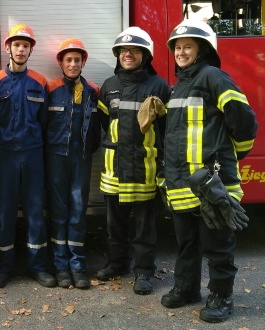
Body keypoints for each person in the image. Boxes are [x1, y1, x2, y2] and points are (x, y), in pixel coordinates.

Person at [160, 20, 257, 323]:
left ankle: (221, 297)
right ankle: (187, 289)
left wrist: (230, 157)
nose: (181, 51)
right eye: (178, 47)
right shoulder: (178, 85)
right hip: (182, 183)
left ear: (203, 49)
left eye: (188, 46)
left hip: (212, 182)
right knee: (187, 242)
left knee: (218, 245)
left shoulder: (213, 76)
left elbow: (245, 121)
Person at [96, 27, 171, 296]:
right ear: (118, 55)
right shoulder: (109, 86)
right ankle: (117, 263)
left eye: (135, 50)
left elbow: (165, 130)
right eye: (123, 51)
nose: (128, 54)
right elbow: (105, 123)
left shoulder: (159, 86)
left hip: (144, 168)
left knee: (144, 226)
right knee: (114, 224)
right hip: (114, 168)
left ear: (145, 55)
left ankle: (144, 272)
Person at [0, 23, 55, 289]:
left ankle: (38, 267)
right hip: (4, 157)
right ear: (8, 48)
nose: (21, 49)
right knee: (4, 212)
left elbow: (45, 123)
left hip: (33, 155)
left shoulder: (40, 82)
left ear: (30, 50)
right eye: (17, 44)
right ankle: (3, 268)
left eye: (26, 45)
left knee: (36, 211)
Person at [46, 38, 100, 289]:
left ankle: (77, 265)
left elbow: (97, 129)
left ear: (83, 62)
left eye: (77, 60)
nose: (73, 64)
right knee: (59, 212)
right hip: (56, 158)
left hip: (81, 158)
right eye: (68, 60)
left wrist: (87, 150)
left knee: (78, 212)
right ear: (60, 62)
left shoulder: (92, 91)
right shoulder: (51, 89)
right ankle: (60, 266)